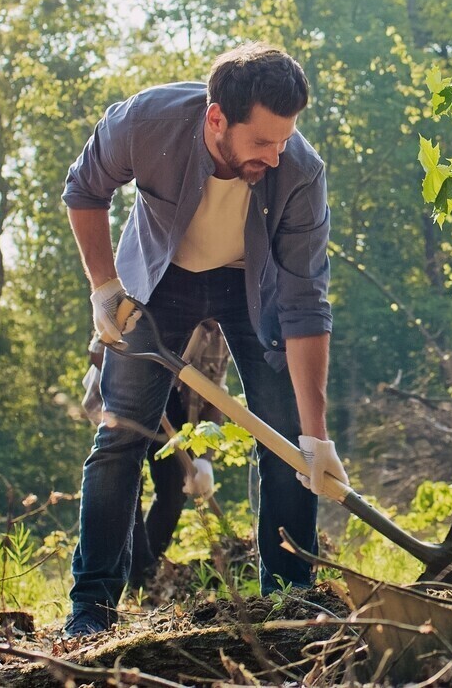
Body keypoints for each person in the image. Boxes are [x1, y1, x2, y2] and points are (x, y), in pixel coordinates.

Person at [61, 41, 340, 637]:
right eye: (262, 141)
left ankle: (291, 604)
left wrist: (316, 436)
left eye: (285, 137)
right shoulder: (145, 122)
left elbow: (305, 304)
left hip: (252, 285)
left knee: (287, 441)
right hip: (160, 282)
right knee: (121, 437)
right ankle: (92, 607)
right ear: (217, 118)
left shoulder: (300, 172)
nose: (277, 152)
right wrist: (104, 288)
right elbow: (85, 188)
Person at [81, 320, 231, 591]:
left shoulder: (219, 334)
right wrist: (144, 378)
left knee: (175, 487)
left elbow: (215, 399)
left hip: (175, 402)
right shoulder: (151, 298)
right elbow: (97, 352)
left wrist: (204, 461)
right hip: (127, 394)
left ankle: (145, 573)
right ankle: (141, 575)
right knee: (126, 484)